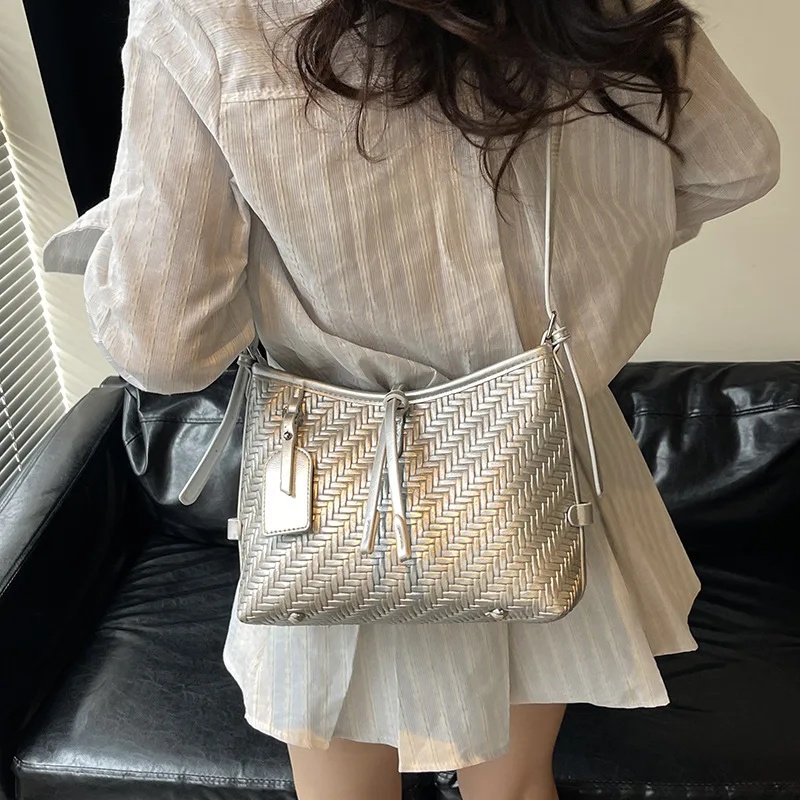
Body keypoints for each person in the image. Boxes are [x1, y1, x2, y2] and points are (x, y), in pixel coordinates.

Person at [43, 0, 779, 797]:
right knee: (515, 786)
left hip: (332, 468)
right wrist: (591, 262)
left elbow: (165, 347)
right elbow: (737, 163)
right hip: (538, 446)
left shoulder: (204, 13)